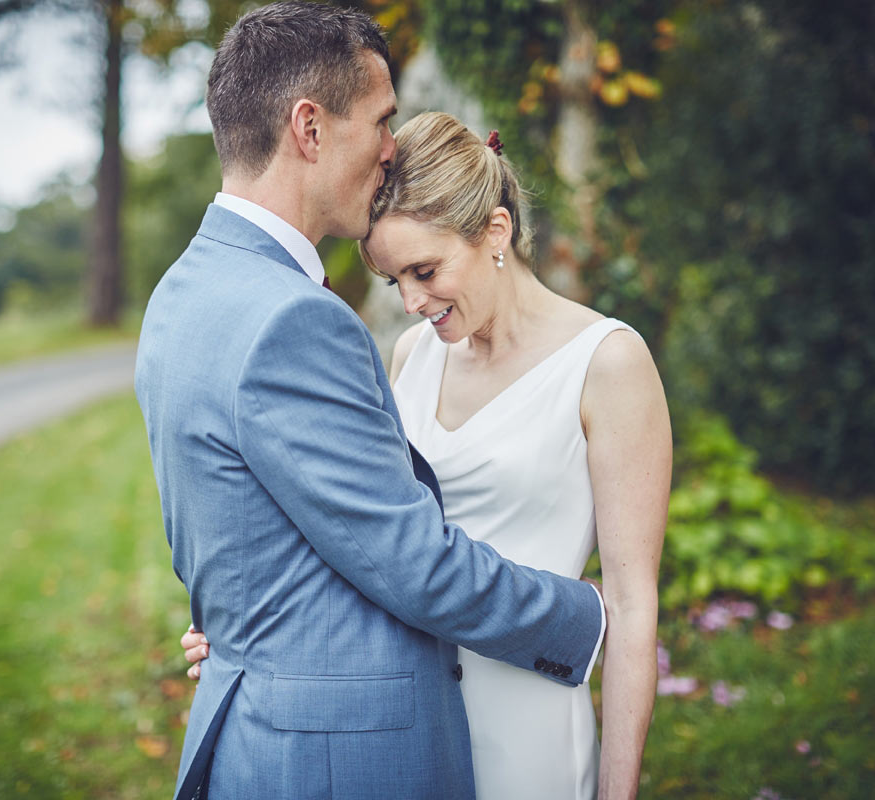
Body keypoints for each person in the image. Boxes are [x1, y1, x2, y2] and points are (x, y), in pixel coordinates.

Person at [135, 4, 606, 799]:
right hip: (334, 760)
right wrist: (590, 618)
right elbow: (414, 566)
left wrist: (236, 622)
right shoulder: (294, 319)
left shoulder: (182, 294)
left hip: (253, 726)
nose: (393, 150)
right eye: (383, 121)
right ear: (310, 128)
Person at [183, 112, 672, 798]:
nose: (412, 302)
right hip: (401, 727)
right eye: (393, 281)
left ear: (496, 232)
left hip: (526, 721)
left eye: (425, 270)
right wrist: (248, 631)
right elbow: (364, 537)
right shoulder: (413, 357)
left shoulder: (608, 363)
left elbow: (630, 605)